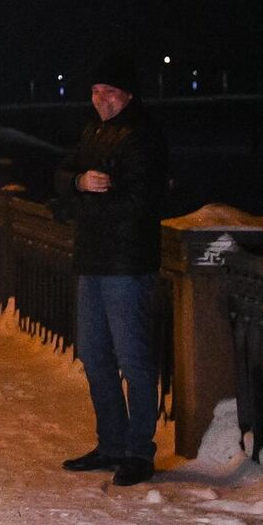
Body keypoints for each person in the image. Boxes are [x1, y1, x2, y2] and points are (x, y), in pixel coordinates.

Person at [55, 55, 169, 486]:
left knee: (134, 360)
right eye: (96, 92)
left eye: (110, 93)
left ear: (128, 95)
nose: (101, 99)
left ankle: (139, 452)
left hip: (128, 265)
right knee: (95, 356)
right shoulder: (92, 130)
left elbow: (139, 203)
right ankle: (112, 444)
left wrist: (80, 198)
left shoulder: (143, 137)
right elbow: (61, 174)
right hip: (93, 263)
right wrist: (79, 184)